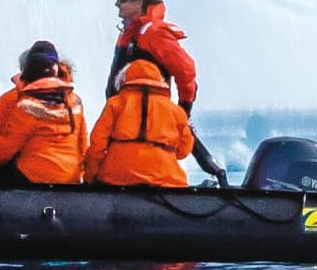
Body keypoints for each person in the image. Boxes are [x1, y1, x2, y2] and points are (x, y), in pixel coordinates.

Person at [84, 51, 227, 189]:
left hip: (117, 178)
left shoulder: (115, 104)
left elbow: (97, 145)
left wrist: (90, 179)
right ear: (159, 81)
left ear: (124, 80)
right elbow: (183, 151)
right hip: (166, 179)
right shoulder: (175, 111)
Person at [0, 39, 86, 186]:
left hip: (33, 175)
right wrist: (82, 175)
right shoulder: (74, 101)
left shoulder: (27, 104)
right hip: (69, 177)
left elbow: (6, 147)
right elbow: (82, 144)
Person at [107, 0, 198, 111]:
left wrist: (184, 110)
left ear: (139, 2)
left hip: (147, 120)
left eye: (122, 0)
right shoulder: (126, 34)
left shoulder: (155, 33)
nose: (117, 4)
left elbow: (186, 72)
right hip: (121, 117)